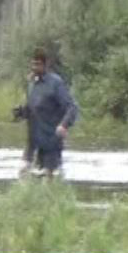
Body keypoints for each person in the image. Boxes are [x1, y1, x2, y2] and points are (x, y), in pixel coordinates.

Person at [13, 48, 78, 178]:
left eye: (37, 64)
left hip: (51, 140)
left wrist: (64, 125)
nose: (34, 67)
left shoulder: (56, 83)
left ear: (45, 65)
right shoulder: (31, 83)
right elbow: (33, 108)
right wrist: (22, 112)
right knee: (23, 173)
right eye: (32, 64)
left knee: (49, 178)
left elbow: (72, 107)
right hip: (33, 140)